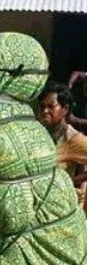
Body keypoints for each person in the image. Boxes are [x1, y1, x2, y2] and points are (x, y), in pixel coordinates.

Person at [38, 81, 87, 213]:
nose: (45, 111)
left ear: (65, 109)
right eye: (42, 107)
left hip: (60, 208)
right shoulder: (39, 133)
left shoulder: (73, 139)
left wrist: (70, 182)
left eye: (51, 106)